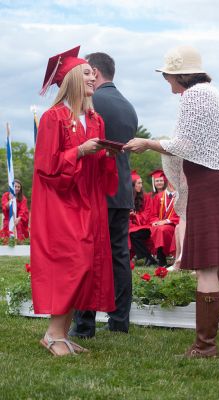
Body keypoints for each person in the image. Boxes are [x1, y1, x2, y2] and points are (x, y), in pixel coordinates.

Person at [124, 45, 219, 357]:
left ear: (181, 75)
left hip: (212, 185)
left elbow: (185, 144)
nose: (168, 84)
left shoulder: (195, 96)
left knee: (204, 267)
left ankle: (205, 346)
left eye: (169, 77)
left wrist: (148, 143)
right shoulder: (208, 93)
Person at [31, 46, 118, 356]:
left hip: (88, 201)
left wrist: (107, 154)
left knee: (86, 266)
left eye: (92, 73)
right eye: (85, 73)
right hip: (60, 203)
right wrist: (80, 151)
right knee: (74, 264)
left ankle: (62, 334)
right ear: (70, 80)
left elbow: (101, 173)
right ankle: (53, 335)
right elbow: (46, 167)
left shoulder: (95, 120)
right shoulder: (53, 118)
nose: (92, 76)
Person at [69, 52, 138, 338]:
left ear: (94, 72)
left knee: (88, 254)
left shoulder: (93, 101)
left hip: (97, 186)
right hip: (121, 189)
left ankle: (84, 324)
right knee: (119, 255)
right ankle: (119, 321)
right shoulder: (129, 106)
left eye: (87, 71)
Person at [129, 170, 156, 266]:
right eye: (138, 183)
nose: (141, 185)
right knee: (130, 234)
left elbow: (148, 214)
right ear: (132, 185)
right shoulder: (127, 198)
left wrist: (135, 215)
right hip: (132, 227)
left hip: (145, 225)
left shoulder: (146, 197)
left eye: (141, 183)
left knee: (133, 235)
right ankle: (149, 258)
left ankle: (148, 257)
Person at [150, 182, 179, 266]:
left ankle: (161, 259)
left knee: (161, 230)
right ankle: (161, 259)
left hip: (173, 225)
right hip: (159, 225)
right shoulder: (158, 196)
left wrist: (167, 221)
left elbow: (181, 215)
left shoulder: (180, 197)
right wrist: (155, 222)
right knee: (157, 229)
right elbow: (153, 214)